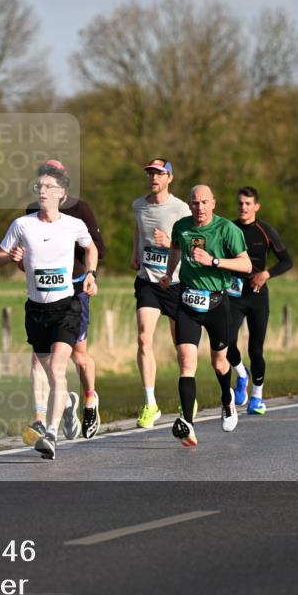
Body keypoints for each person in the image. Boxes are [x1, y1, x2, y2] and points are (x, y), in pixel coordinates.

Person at [0, 163, 98, 460]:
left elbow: (90, 248)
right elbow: (1, 255)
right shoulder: (22, 224)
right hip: (36, 309)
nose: (42, 191)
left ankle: (51, 434)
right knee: (42, 368)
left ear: (61, 193)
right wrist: (10, 256)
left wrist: (91, 273)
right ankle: (66, 403)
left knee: (56, 368)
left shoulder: (73, 224)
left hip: (66, 307)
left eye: (48, 187)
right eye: (38, 187)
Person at [22, 160, 106, 444]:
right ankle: (46, 415)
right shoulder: (30, 214)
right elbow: (26, 259)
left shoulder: (79, 211)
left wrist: (88, 274)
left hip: (73, 290)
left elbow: (97, 249)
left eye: (52, 182)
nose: (45, 189)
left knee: (79, 356)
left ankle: (90, 401)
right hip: (41, 298)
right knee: (41, 360)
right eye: (42, 182)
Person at [160, 185, 251, 447]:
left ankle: (227, 399)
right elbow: (175, 249)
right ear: (189, 205)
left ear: (213, 203)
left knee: (219, 363)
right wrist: (169, 273)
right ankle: (187, 423)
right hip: (188, 301)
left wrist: (213, 261)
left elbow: (245, 265)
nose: (199, 207)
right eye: (195, 203)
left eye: (204, 202)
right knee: (186, 361)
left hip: (216, 303)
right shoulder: (182, 226)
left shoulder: (226, 230)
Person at [131, 157, 192, 428]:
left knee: (182, 346)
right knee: (144, 338)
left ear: (170, 178)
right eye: (150, 174)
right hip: (148, 282)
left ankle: (186, 397)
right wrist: (136, 253)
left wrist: (169, 243)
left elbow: (191, 244)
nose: (154, 178)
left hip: (176, 283)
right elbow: (139, 229)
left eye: (159, 174)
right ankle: (150, 403)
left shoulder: (180, 209)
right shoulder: (138, 205)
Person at [227, 186, 292, 415]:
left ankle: (257, 397)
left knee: (256, 349)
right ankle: (241, 374)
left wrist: (266, 274)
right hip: (233, 295)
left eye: (247, 204)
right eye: (240, 203)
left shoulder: (265, 230)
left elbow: (287, 261)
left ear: (256, 206)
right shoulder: (229, 228)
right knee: (225, 342)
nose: (243, 207)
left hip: (257, 296)